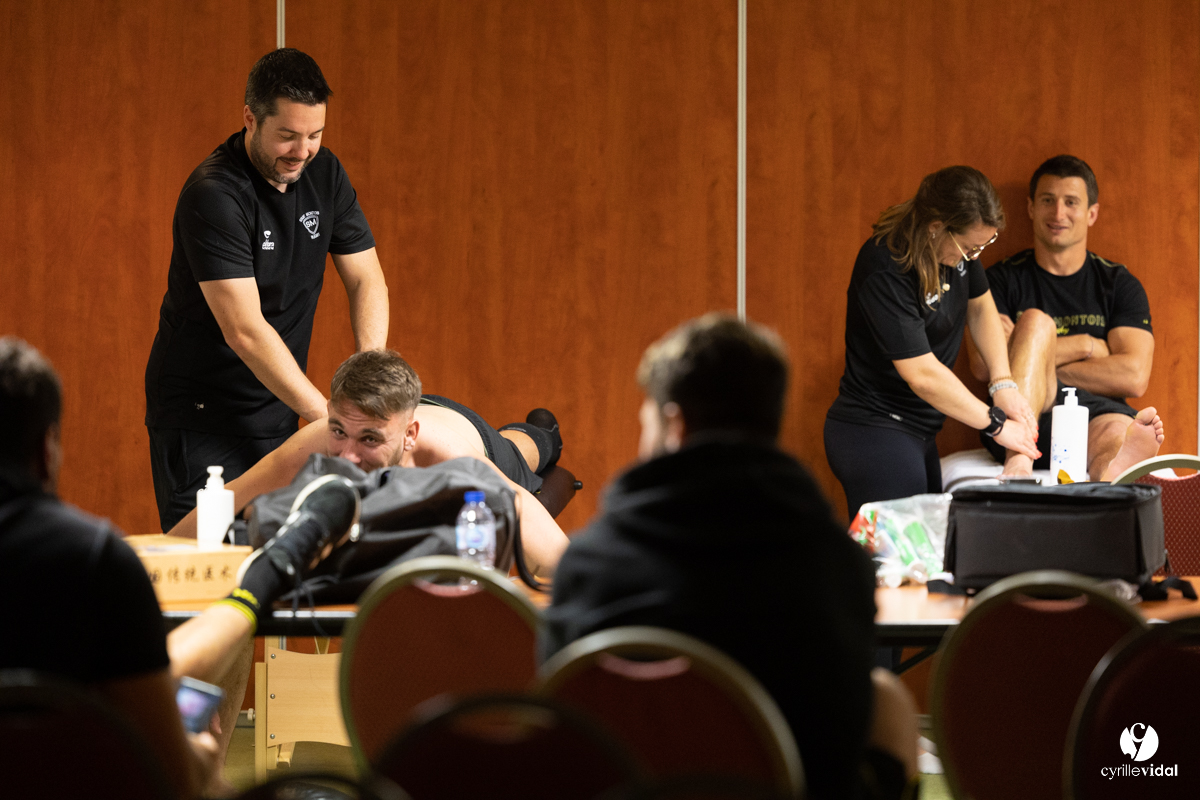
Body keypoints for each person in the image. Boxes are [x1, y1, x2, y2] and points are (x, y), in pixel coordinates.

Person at [541, 314, 919, 800]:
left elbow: (561, 718)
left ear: (674, 425)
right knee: (887, 696)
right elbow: (839, 731)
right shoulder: (837, 564)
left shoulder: (590, 563)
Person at [1, 337, 351, 797]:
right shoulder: (93, 558)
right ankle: (266, 576)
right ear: (47, 449)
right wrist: (198, 759)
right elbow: (170, 774)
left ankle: (264, 576)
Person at [145, 48, 389, 532]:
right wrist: (334, 421)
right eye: (287, 136)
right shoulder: (214, 194)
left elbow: (366, 278)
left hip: (278, 412)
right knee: (209, 563)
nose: (302, 151)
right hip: (203, 421)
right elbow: (246, 331)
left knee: (277, 557)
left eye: (315, 135)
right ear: (250, 119)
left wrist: (369, 383)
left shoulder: (326, 173)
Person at [168, 349, 570, 576]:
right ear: (329, 414)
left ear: (408, 437)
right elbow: (218, 510)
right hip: (408, 412)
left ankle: (541, 433)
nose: (347, 456)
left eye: (369, 440)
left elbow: (547, 549)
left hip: (471, 433)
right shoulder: (316, 443)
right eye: (339, 431)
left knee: (524, 449)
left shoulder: (450, 458)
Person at [824, 166, 1040, 521]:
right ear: (936, 225)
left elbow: (981, 306)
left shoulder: (957, 252)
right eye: (969, 247)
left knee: (925, 561)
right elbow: (922, 374)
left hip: (919, 432)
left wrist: (1002, 383)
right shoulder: (885, 265)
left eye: (982, 247)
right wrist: (996, 424)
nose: (973, 257)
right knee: (895, 569)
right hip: (875, 431)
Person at [967, 155, 1164, 481]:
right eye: (1048, 200)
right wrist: (1087, 345)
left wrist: (1033, 355)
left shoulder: (1117, 283)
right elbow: (984, 364)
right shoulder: (999, 279)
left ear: (1091, 213)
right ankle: (1019, 463)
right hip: (1021, 411)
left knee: (1116, 434)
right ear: (1031, 208)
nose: (1058, 213)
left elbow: (1134, 375)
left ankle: (1112, 477)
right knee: (1034, 322)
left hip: (1096, 413)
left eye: (1071, 202)